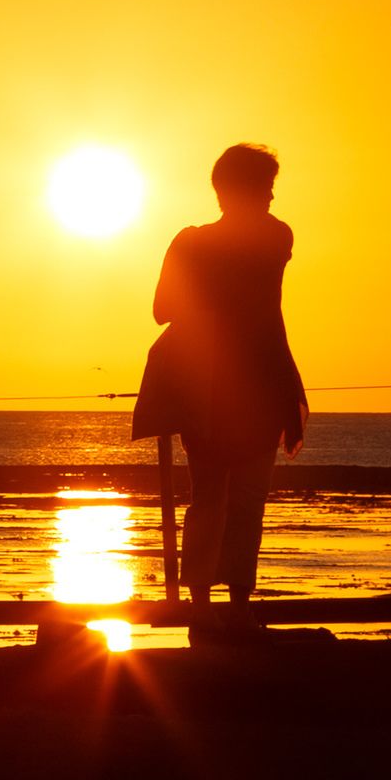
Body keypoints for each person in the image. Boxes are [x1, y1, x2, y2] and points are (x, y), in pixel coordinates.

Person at [136, 144, 308, 628]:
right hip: (247, 377)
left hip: (224, 378)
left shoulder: (199, 242)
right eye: (266, 187)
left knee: (214, 495)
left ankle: (211, 606)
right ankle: (228, 606)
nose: (273, 197)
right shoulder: (272, 236)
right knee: (237, 497)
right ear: (244, 190)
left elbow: (163, 309)